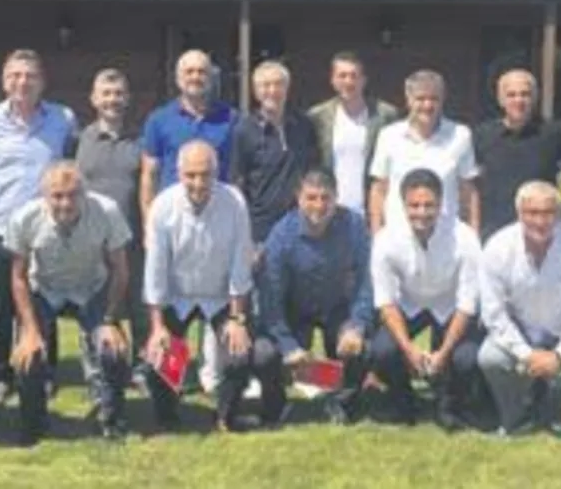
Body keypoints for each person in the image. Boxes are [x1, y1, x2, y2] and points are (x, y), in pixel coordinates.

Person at [0, 49, 77, 405]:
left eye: (30, 75)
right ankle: (0, 375)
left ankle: (41, 370)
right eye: (15, 75)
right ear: (4, 81)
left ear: (42, 82)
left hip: (43, 229)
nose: (22, 82)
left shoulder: (63, 119)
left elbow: (69, 171)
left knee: (41, 303)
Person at [141, 141, 282, 432]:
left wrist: (237, 319)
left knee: (239, 354)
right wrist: (158, 327)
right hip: (177, 296)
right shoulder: (162, 207)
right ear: (179, 173)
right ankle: (168, 414)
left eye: (205, 174)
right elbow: (155, 272)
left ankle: (225, 416)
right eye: (191, 175)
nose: (198, 183)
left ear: (216, 172)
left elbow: (240, 264)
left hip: (220, 296)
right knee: (160, 354)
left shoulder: (234, 202)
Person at [5, 162, 133, 443]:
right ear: (44, 196)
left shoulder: (107, 211)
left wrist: (110, 320)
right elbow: (18, 277)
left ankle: (111, 418)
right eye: (57, 196)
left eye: (73, 194)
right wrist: (30, 330)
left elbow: (120, 269)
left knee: (112, 351)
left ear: (84, 193)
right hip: (45, 289)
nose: (66, 203)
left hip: (92, 288)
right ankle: (33, 421)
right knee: (29, 355)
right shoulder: (24, 218)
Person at [139, 49, 238, 394]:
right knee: (175, 302)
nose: (196, 77)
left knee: (214, 295)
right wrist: (148, 223)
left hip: (215, 219)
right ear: (178, 78)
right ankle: (175, 377)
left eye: (202, 71)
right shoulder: (159, 120)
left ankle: (213, 376)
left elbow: (235, 173)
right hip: (172, 223)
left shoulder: (230, 118)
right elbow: (149, 173)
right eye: (189, 71)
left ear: (211, 77)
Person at [477, 180, 561, 437]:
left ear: (559, 214)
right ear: (519, 213)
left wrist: (560, 354)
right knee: (490, 358)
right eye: (532, 213)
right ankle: (515, 418)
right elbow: (493, 314)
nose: (540, 221)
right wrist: (525, 354)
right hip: (521, 330)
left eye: (548, 213)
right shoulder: (498, 247)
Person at [255, 169, 373, 425]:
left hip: (336, 308)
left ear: (336, 198)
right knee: (264, 354)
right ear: (298, 198)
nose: (318, 206)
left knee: (361, 349)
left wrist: (357, 326)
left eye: (325, 198)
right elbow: (271, 300)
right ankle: (276, 402)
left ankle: (342, 402)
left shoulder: (354, 226)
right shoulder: (281, 236)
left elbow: (365, 282)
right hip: (294, 311)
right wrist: (288, 346)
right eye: (311, 198)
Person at [369, 168, 484, 431]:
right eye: (414, 205)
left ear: (441, 204)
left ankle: (449, 403)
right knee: (382, 350)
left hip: (450, 305)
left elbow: (467, 304)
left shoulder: (465, 238)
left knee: (466, 357)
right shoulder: (386, 240)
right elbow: (386, 302)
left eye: (429, 205)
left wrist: (443, 353)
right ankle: (403, 399)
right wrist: (409, 350)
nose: (421, 212)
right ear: (403, 205)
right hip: (410, 304)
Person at [75, 68, 147, 376]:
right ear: (94, 98)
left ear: (127, 98)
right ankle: (106, 368)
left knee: (141, 308)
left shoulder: (141, 141)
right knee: (104, 308)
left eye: (118, 93)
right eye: (106, 93)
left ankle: (146, 369)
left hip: (134, 239)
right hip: (95, 243)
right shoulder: (78, 141)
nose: (112, 100)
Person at [368, 70, 480, 233]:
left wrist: (473, 233)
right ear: (408, 100)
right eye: (420, 99)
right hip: (398, 234)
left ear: (443, 100)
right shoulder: (389, 136)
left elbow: (468, 192)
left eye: (434, 99)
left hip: (446, 234)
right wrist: (376, 234)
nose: (427, 105)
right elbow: (379, 189)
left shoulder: (460, 135)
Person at [473, 68, 561, 241]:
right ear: (500, 100)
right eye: (511, 95)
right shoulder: (483, 135)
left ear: (535, 98)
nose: (518, 100)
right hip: (494, 231)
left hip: (541, 231)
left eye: (525, 94)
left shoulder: (554, 134)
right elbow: (471, 186)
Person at [230, 60, 320, 245]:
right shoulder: (245, 131)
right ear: (256, 92)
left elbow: (314, 171)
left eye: (278, 84)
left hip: (301, 224)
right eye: (266, 85)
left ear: (287, 88)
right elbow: (237, 182)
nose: (272, 91)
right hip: (261, 230)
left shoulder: (304, 126)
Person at [306, 51, 400, 216]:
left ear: (363, 80)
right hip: (329, 210)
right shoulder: (318, 116)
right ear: (333, 80)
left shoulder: (385, 115)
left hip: (370, 210)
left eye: (354, 76)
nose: (348, 82)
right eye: (342, 76)